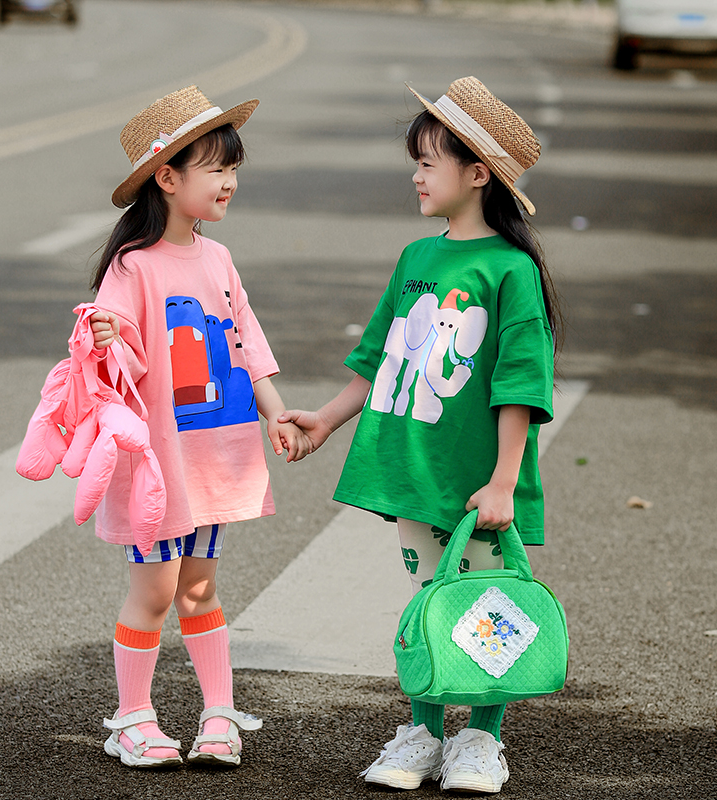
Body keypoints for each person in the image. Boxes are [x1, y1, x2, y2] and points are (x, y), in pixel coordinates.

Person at [280, 76, 562, 793]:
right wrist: (327, 417)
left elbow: (521, 385)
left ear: (477, 174)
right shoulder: (416, 258)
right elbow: (380, 359)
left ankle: (481, 739)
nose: (417, 174)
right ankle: (424, 733)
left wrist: (502, 480)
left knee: (488, 605)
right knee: (429, 603)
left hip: (478, 481)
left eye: (430, 161)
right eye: (417, 160)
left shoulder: (510, 269)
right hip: (414, 466)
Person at [87, 86, 309, 770]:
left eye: (232, 168)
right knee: (154, 589)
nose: (230, 182)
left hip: (215, 454)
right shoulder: (134, 267)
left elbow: (246, 342)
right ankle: (132, 718)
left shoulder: (218, 260)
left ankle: (218, 713)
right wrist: (105, 337)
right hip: (158, 465)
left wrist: (277, 413)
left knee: (200, 586)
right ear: (168, 177)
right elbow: (114, 359)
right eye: (216, 168)